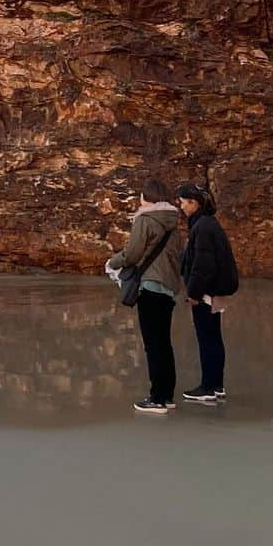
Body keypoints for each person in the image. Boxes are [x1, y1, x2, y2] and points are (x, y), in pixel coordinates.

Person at [106, 176, 184, 415]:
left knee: (153, 344)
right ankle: (166, 395)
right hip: (169, 288)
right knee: (163, 343)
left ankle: (157, 398)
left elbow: (132, 253)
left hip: (150, 286)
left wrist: (112, 262)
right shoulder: (173, 223)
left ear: (146, 198)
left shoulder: (146, 220)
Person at [176, 182, 239, 405]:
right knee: (214, 337)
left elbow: (202, 264)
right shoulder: (208, 223)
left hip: (206, 294)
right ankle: (216, 385)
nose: (181, 207)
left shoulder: (202, 226)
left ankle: (208, 387)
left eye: (183, 202)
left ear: (194, 203)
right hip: (213, 292)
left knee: (207, 339)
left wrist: (193, 293)